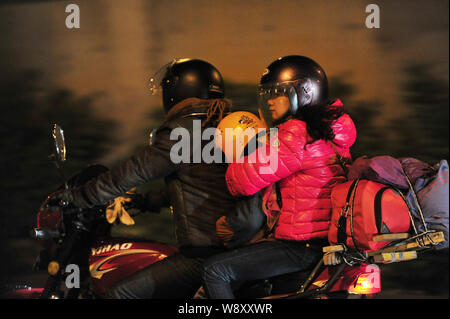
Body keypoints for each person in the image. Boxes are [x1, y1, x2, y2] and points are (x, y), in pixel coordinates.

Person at [51, 58, 258, 298]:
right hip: (241, 250)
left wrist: (77, 197)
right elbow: (207, 186)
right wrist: (145, 201)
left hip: (205, 255)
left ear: (176, 91)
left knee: (120, 294)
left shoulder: (183, 131)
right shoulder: (228, 127)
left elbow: (132, 173)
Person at [202, 55, 357, 299]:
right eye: (268, 95)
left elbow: (241, 182)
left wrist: (243, 148)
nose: (271, 102)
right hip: (327, 241)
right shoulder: (331, 131)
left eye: (278, 94)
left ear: (304, 93)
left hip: (301, 245)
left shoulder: (296, 134)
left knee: (215, 270)